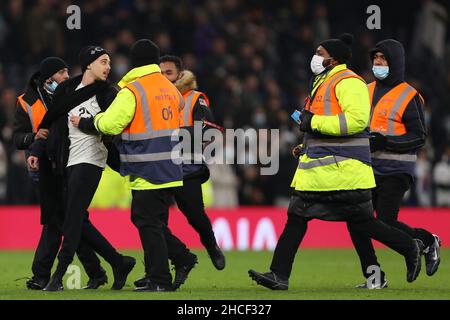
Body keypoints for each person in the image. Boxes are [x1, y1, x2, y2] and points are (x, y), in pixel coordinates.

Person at [248, 34, 423, 290]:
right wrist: (305, 143)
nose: (316, 57)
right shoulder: (323, 81)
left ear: (334, 58)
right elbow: (323, 125)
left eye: (320, 53)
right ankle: (279, 275)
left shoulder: (349, 82)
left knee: (352, 222)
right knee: (305, 217)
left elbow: (356, 121)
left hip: (344, 170)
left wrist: (313, 122)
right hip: (325, 169)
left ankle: (409, 246)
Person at [83, 39, 195, 292]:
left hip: (148, 167)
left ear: (134, 62)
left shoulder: (133, 90)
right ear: (156, 62)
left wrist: (89, 122)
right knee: (150, 220)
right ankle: (177, 260)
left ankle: (161, 278)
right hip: (171, 166)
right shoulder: (171, 89)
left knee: (146, 221)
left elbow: (111, 124)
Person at [28, 47, 136, 291]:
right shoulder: (68, 89)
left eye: (109, 63)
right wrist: (36, 150)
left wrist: (88, 125)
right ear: (89, 65)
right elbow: (50, 123)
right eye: (103, 62)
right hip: (65, 159)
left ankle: (57, 276)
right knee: (71, 216)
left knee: (73, 217)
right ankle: (118, 262)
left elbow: (114, 126)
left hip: (91, 158)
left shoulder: (109, 93)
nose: (108, 67)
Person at [348, 39, 441, 288]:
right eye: (375, 59)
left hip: (396, 169)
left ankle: (424, 242)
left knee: (384, 222)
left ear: (395, 62)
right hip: (366, 167)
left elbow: (419, 136)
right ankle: (376, 277)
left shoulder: (410, 96)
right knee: (357, 220)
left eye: (383, 59)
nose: (378, 63)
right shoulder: (363, 90)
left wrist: (386, 142)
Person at [13, 57, 107, 290]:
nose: (67, 76)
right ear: (48, 78)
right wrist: (34, 138)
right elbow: (18, 137)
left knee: (64, 220)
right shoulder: (26, 102)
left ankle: (45, 275)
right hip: (44, 165)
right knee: (66, 220)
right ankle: (98, 270)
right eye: (62, 72)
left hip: (70, 161)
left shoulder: (70, 93)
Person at [133, 56, 225, 289]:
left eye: (169, 73)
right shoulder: (153, 98)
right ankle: (155, 271)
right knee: (154, 221)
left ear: (181, 74)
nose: (165, 77)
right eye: (161, 73)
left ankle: (210, 243)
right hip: (160, 166)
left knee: (193, 214)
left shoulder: (195, 98)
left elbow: (208, 129)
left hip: (187, 167)